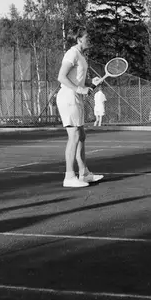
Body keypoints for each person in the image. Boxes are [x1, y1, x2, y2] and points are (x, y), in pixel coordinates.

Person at [56, 27, 104, 188]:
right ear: (79, 39)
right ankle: (69, 176)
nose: (89, 40)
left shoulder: (81, 56)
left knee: (81, 135)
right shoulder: (72, 53)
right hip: (68, 98)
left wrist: (90, 82)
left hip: (76, 98)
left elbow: (77, 79)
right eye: (87, 37)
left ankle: (84, 174)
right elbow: (61, 77)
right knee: (74, 136)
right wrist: (79, 89)